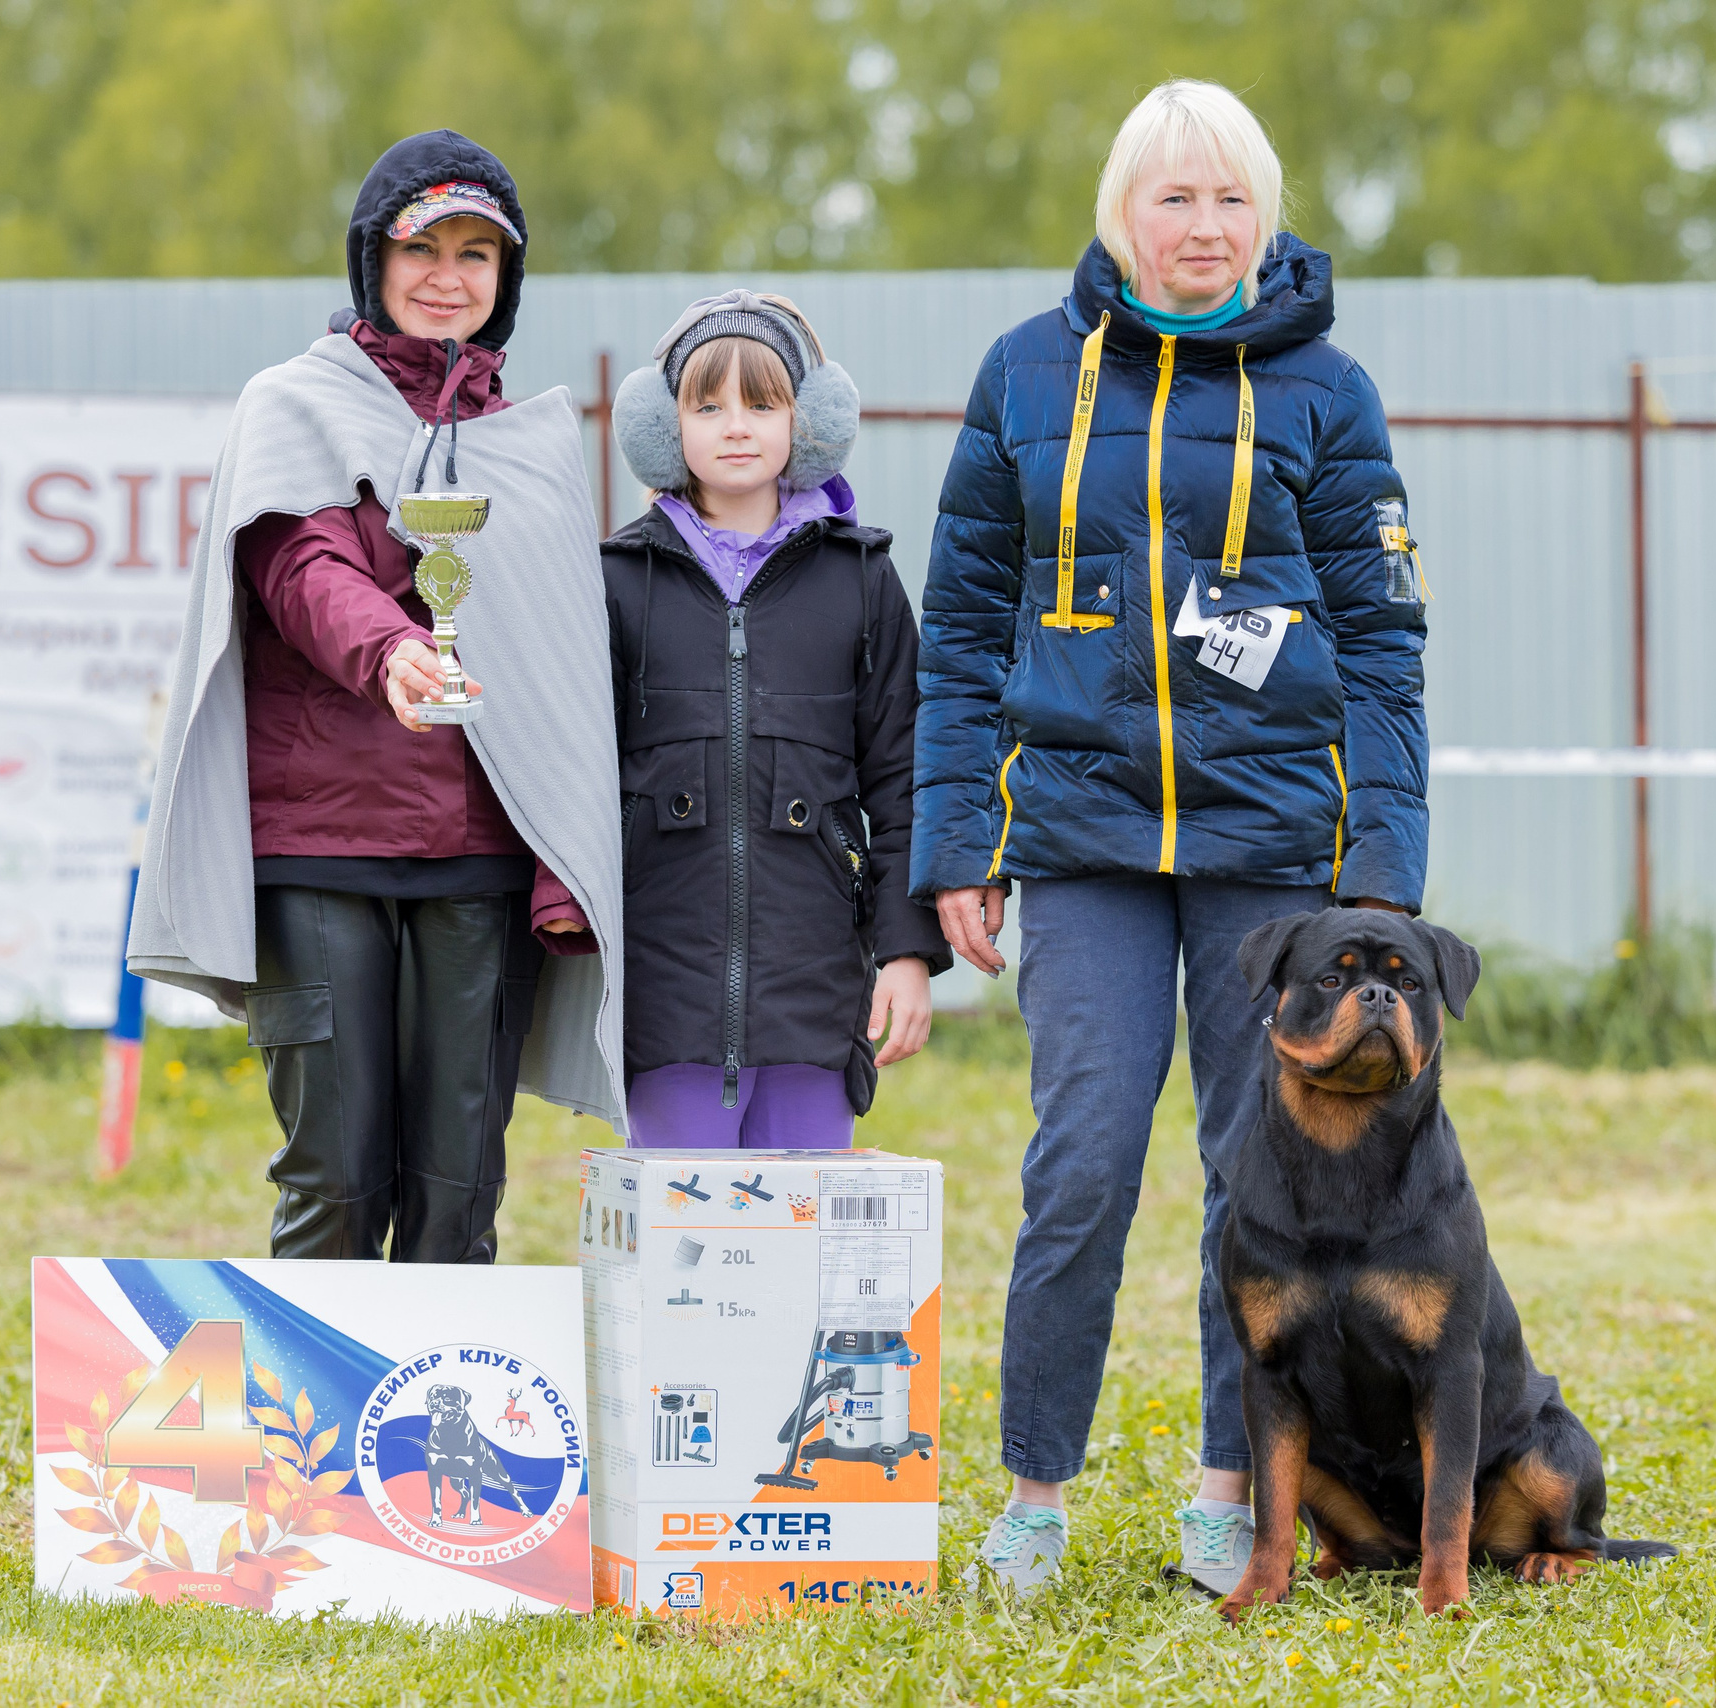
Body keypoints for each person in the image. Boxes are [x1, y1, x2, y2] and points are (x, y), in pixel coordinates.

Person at [910, 80, 1429, 1594]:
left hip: (1272, 853)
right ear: (1121, 213)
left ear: (1265, 219)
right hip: (1082, 845)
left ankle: (1228, 1487)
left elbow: (1385, 645)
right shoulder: (1026, 375)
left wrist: (1379, 875)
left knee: (1254, 1176)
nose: (1204, 226)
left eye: (1231, 199)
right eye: (1174, 198)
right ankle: (1033, 1495)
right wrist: (958, 841)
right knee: (1079, 1163)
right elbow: (961, 630)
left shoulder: (1328, 391)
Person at [127, 131, 626, 1259]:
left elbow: (563, 669)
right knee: (338, 1179)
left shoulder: (533, 442)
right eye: (422, 249)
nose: (448, 277)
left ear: (505, 279)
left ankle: (434, 1389)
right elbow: (300, 565)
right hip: (320, 846)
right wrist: (393, 650)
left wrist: (565, 865)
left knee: (459, 1189)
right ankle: (310, 1385)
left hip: (483, 855)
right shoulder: (290, 403)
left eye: (476, 255)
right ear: (373, 260)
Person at [602, 291, 949, 1147]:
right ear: (663, 425)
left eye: (762, 404)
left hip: (814, 995)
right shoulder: (616, 581)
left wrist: (906, 952)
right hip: (664, 998)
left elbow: (904, 777)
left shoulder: (861, 579)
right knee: (679, 1227)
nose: (736, 427)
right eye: (707, 406)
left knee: (802, 1227)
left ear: (808, 420)